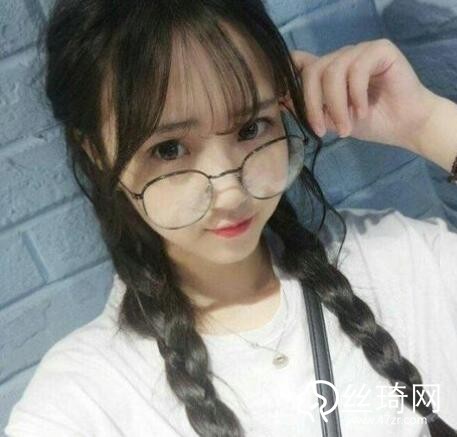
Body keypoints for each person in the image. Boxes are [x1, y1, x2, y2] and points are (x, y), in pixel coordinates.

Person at [4, 0, 457, 436]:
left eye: (250, 128)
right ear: (97, 153)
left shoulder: (399, 262)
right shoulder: (84, 400)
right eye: (169, 149)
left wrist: (428, 125)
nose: (230, 192)